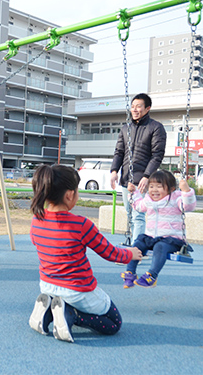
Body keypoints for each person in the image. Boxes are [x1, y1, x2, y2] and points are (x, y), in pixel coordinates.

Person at [28, 165, 142, 343]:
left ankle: (48, 312)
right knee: (114, 323)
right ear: (69, 195)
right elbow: (109, 252)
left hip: (47, 285)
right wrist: (130, 254)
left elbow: (38, 243)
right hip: (77, 290)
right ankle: (71, 314)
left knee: (60, 297)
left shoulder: (37, 221)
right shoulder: (81, 224)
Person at [121, 170, 196, 289]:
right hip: (151, 237)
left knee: (160, 247)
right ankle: (130, 273)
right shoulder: (148, 200)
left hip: (171, 239)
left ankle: (152, 276)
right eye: (151, 186)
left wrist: (186, 191)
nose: (154, 190)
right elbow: (138, 206)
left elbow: (188, 206)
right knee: (137, 243)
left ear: (171, 189)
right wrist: (133, 193)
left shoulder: (175, 199)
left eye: (159, 187)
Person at [110, 93, 167, 244]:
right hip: (125, 179)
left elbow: (157, 155)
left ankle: (137, 250)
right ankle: (140, 244)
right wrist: (114, 171)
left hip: (142, 179)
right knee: (130, 214)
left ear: (147, 108)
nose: (135, 110)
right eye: (133, 106)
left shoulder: (156, 128)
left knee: (138, 216)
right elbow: (119, 152)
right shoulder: (125, 128)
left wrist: (147, 176)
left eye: (139, 106)